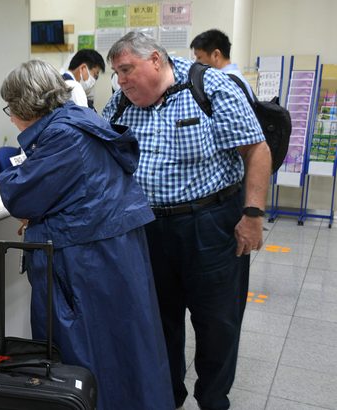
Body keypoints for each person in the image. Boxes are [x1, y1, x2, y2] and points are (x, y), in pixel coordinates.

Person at [103, 31, 271, 410]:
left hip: (210, 224)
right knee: (159, 323)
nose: (122, 80)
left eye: (127, 69)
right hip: (148, 229)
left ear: (156, 61)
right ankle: (168, 399)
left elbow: (256, 150)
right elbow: (99, 158)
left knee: (217, 323)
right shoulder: (120, 103)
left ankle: (214, 401)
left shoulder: (209, 86)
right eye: (117, 73)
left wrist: (253, 215)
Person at [0, 59, 174, 410]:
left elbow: (19, 195)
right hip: (111, 249)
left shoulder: (62, 135)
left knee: (88, 353)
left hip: (86, 260)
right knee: (128, 348)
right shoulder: (82, 119)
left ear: (22, 106)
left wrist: (13, 182)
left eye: (9, 109)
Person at [190, 28, 255, 98]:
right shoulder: (237, 76)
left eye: (199, 57)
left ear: (216, 55)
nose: (196, 62)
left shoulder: (225, 82)